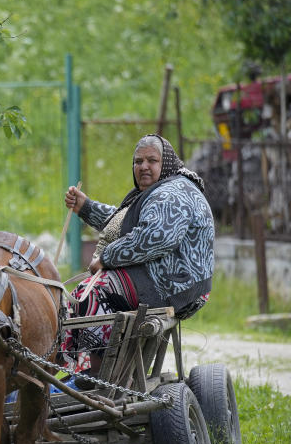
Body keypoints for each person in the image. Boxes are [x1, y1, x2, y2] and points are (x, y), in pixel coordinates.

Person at [61, 133, 214, 375]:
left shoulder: (171, 193)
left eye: (152, 161)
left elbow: (155, 237)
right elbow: (124, 225)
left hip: (172, 283)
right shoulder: (161, 190)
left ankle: (98, 376)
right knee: (88, 292)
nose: (143, 166)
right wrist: (86, 207)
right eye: (138, 161)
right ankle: (92, 368)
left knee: (89, 295)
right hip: (167, 278)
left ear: (167, 164)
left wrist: (107, 258)